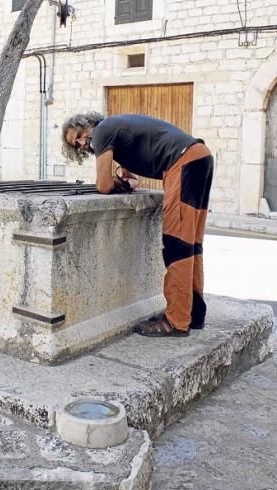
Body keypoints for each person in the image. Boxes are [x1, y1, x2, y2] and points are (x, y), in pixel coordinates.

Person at [62, 112, 214, 337]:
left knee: (177, 246)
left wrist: (110, 181)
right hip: (199, 157)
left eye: (81, 136)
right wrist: (122, 180)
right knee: (191, 244)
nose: (83, 144)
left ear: (88, 125)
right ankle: (194, 314)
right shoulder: (118, 133)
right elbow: (133, 180)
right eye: (77, 144)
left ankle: (176, 320)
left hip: (182, 163)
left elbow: (103, 186)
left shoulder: (103, 131)